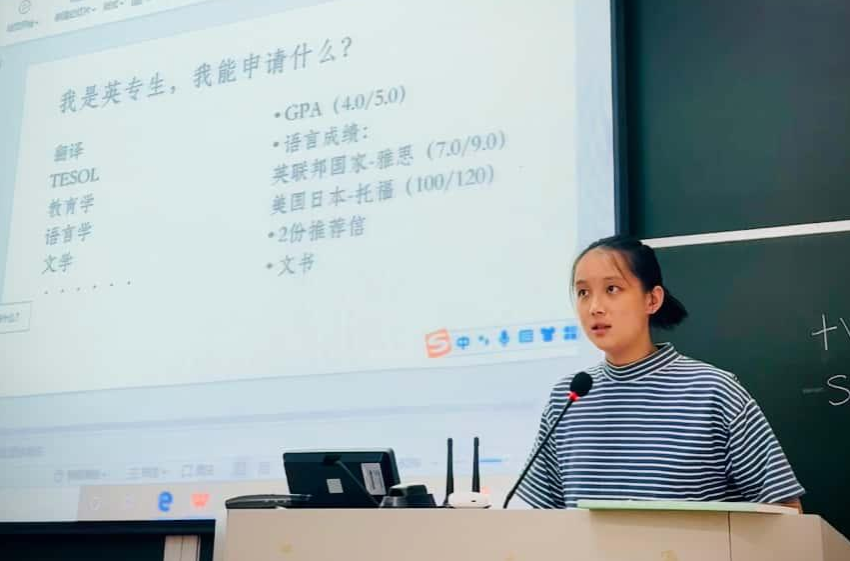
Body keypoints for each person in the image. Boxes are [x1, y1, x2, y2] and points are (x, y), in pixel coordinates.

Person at [516, 235, 804, 510]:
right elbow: (544, 520)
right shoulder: (567, 398)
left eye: (612, 289)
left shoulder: (713, 391)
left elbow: (783, 507)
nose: (594, 307)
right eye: (583, 293)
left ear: (652, 300)